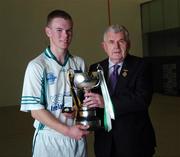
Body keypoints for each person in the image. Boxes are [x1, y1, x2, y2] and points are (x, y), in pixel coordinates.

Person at [20, 9, 89, 157]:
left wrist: (78, 110)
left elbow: (82, 100)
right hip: (49, 140)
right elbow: (36, 111)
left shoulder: (79, 63)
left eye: (69, 31)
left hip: (76, 136)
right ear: (48, 32)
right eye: (59, 30)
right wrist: (67, 131)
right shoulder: (37, 66)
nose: (65, 35)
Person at [83, 25, 156, 157]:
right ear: (104, 46)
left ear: (128, 44)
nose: (116, 47)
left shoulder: (141, 66)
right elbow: (90, 100)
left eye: (121, 41)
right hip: (104, 142)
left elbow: (142, 100)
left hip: (134, 142)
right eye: (111, 42)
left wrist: (106, 102)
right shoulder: (96, 68)